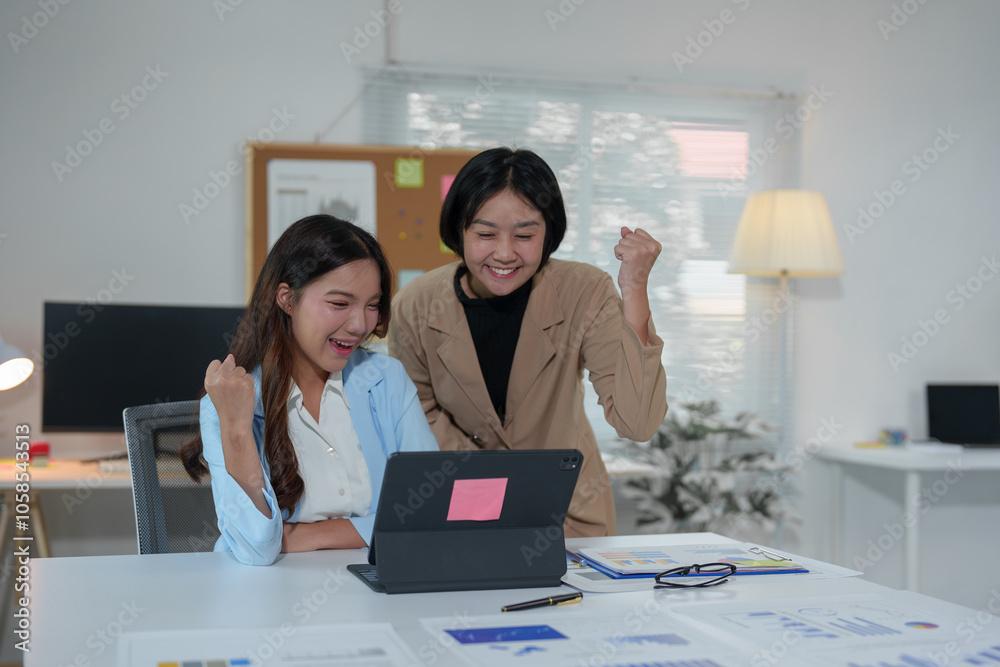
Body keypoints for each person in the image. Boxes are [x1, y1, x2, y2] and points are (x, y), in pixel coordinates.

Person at [389, 146, 668, 538]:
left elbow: (636, 422)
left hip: (569, 516)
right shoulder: (415, 305)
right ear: (459, 231)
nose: (504, 253)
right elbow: (419, 416)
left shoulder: (584, 291)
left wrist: (634, 287)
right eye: (485, 234)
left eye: (524, 235)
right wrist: (495, 490)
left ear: (548, 233)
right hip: (464, 512)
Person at [181, 214, 438, 565]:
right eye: (339, 303)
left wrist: (306, 535)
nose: (361, 324)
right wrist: (239, 432)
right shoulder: (231, 399)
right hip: (269, 600)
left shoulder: (386, 379)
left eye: (372, 305)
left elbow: (432, 514)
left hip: (375, 588)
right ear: (286, 299)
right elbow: (256, 550)